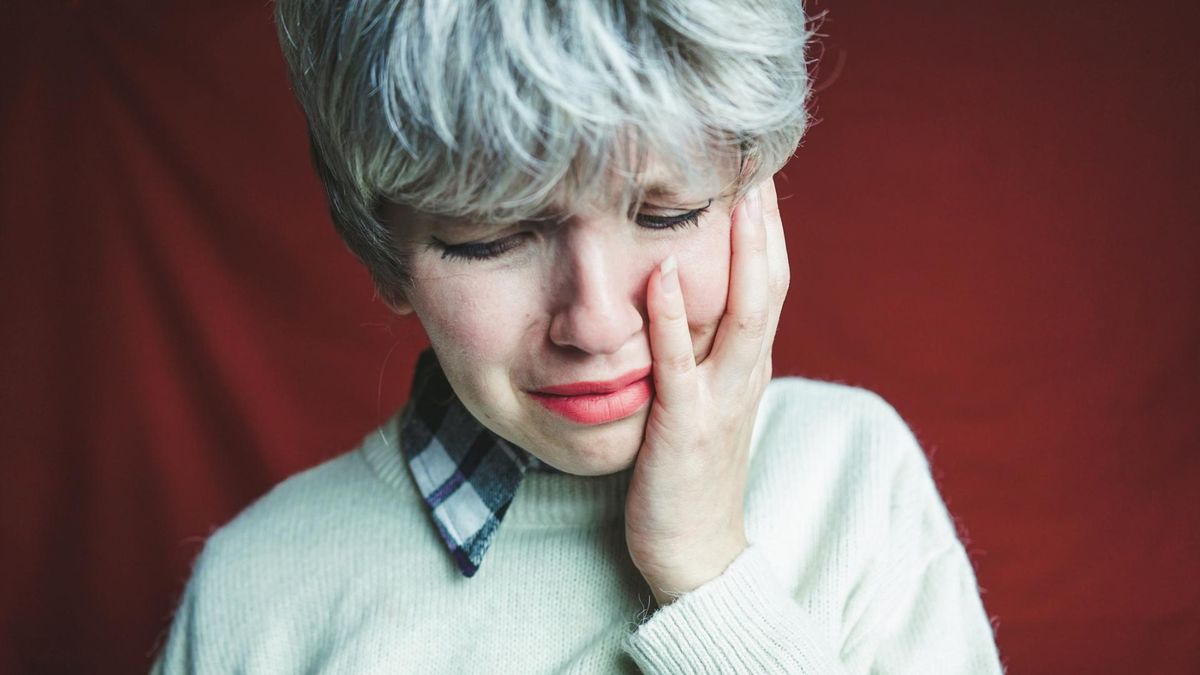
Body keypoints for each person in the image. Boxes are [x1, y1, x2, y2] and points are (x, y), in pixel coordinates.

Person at [153, 1, 1004, 672]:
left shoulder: (853, 476)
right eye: (490, 236)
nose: (595, 321)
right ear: (384, 251)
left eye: (667, 213)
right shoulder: (254, 593)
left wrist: (706, 570)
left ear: (757, 192)